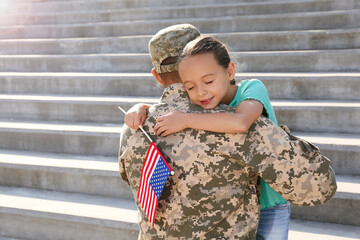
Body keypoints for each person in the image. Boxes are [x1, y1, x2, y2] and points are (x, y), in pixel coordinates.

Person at [119, 24, 337, 239]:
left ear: (157, 76)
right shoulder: (242, 128)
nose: (202, 90)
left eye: (208, 80)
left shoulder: (134, 126)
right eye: (192, 85)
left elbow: (132, 180)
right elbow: (321, 186)